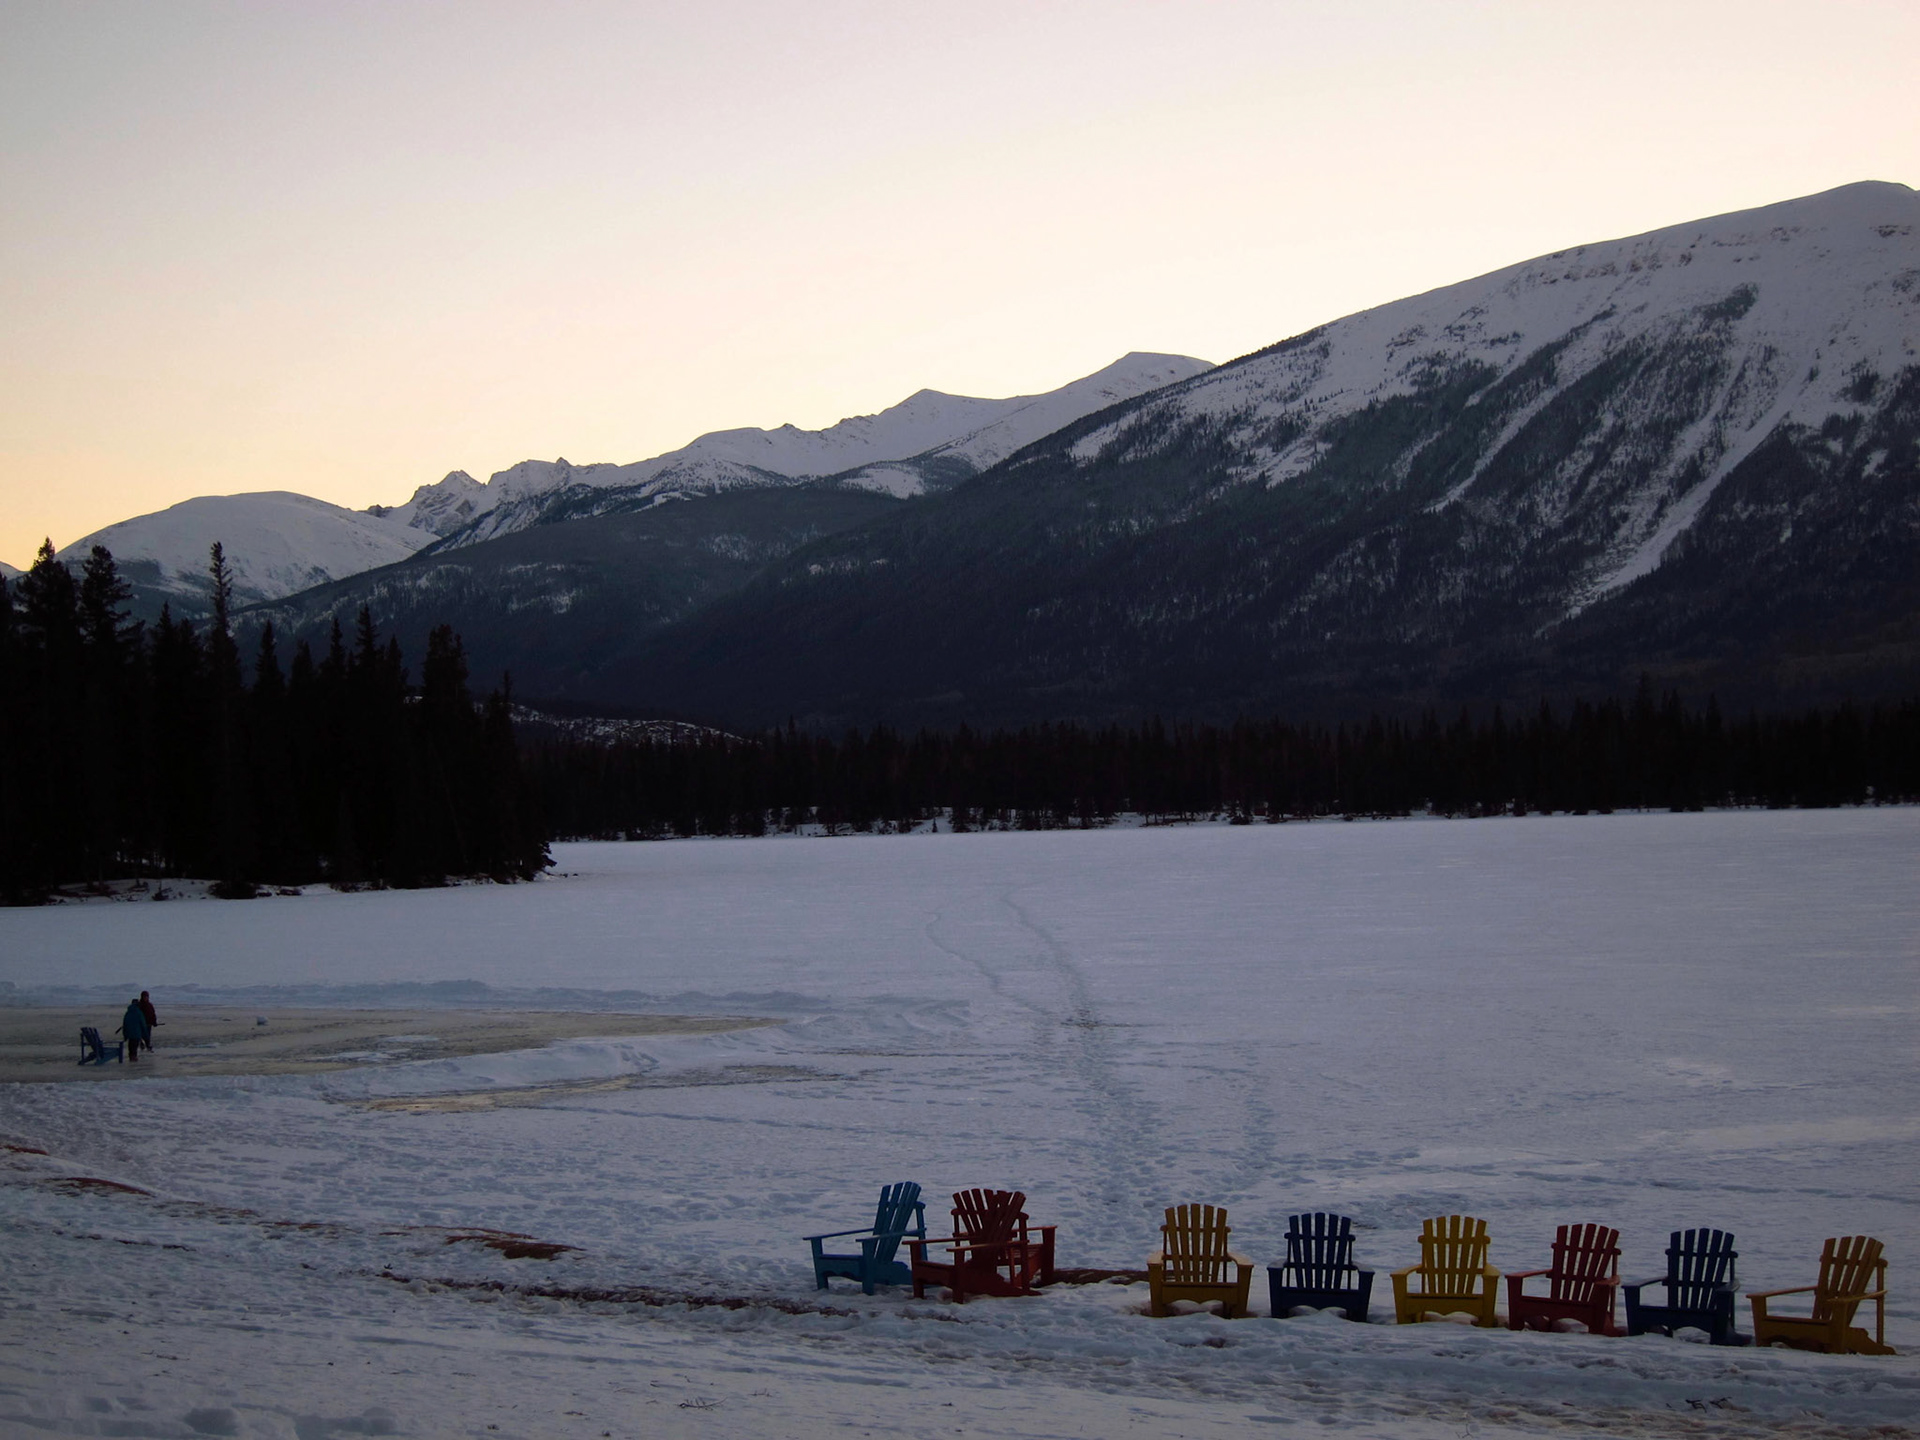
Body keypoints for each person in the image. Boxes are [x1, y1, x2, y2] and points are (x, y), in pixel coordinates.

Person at [120, 996, 152, 1062]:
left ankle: (131, 1057)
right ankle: (133, 1058)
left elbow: (125, 1024)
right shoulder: (139, 1013)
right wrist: (145, 1035)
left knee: (131, 1046)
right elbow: (143, 1024)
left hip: (129, 1033)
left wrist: (125, 1035)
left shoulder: (128, 1013)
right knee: (134, 1046)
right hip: (137, 1033)